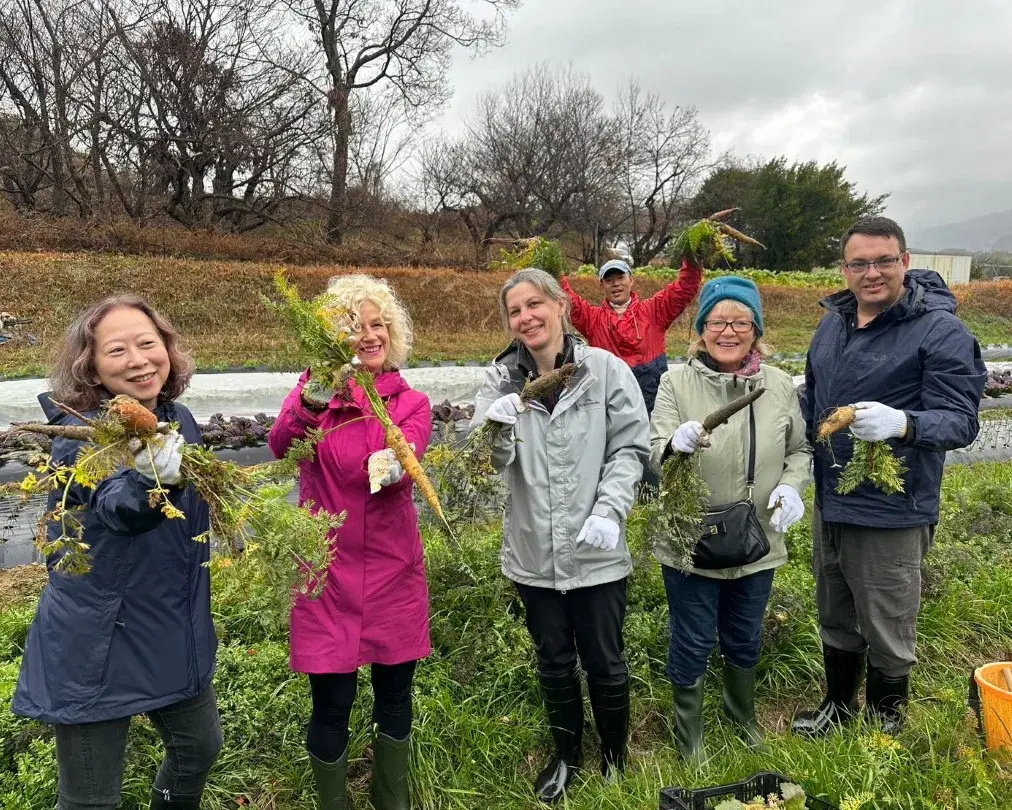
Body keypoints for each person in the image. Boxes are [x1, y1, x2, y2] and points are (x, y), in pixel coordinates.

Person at [12, 296, 221, 810]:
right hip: (99, 638)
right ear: (91, 365)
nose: (139, 360)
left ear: (167, 347)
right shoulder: (82, 438)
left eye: (148, 343)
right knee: (90, 798)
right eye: (117, 350)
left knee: (199, 748)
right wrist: (157, 483)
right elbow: (117, 508)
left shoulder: (180, 418)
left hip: (172, 623)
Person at [792, 216, 986, 737]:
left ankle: (884, 729)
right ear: (845, 268)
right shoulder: (833, 320)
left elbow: (962, 420)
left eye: (883, 260)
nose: (871, 273)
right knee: (836, 610)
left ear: (905, 261)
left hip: (892, 509)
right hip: (833, 498)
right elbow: (814, 393)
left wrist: (905, 424)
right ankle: (838, 708)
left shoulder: (940, 331)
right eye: (859, 263)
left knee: (887, 622)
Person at [470, 268, 649, 803]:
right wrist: (497, 427)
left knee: (605, 658)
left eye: (534, 305)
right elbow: (485, 467)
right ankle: (568, 755)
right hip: (533, 550)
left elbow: (631, 449)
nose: (525, 318)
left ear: (559, 305)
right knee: (553, 659)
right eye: (514, 311)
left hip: (596, 548)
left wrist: (610, 509)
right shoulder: (500, 381)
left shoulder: (604, 370)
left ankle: (615, 757)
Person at [268, 275, 432, 810]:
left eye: (378, 324)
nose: (369, 335)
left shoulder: (410, 401)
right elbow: (279, 445)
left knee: (394, 698)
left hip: (391, 570)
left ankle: (393, 801)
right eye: (354, 326)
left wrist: (393, 462)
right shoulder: (314, 393)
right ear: (332, 338)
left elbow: (404, 462)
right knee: (332, 704)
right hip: (326, 571)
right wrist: (314, 401)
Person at [648, 277, 812, 761]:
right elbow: (654, 455)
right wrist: (671, 447)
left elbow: (800, 449)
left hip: (758, 541)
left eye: (741, 321)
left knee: (744, 634)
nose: (729, 330)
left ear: (756, 329)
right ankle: (689, 734)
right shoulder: (675, 382)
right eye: (718, 321)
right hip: (691, 540)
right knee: (693, 637)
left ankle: (742, 717)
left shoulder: (779, 385)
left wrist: (791, 485)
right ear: (700, 329)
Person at [560, 255, 702, 414]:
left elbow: (684, 288)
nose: (616, 284)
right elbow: (564, 298)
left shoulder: (654, 311)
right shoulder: (592, 318)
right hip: (610, 406)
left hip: (653, 406)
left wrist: (692, 257)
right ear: (602, 286)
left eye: (620, 277)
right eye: (609, 280)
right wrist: (554, 272)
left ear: (631, 280)